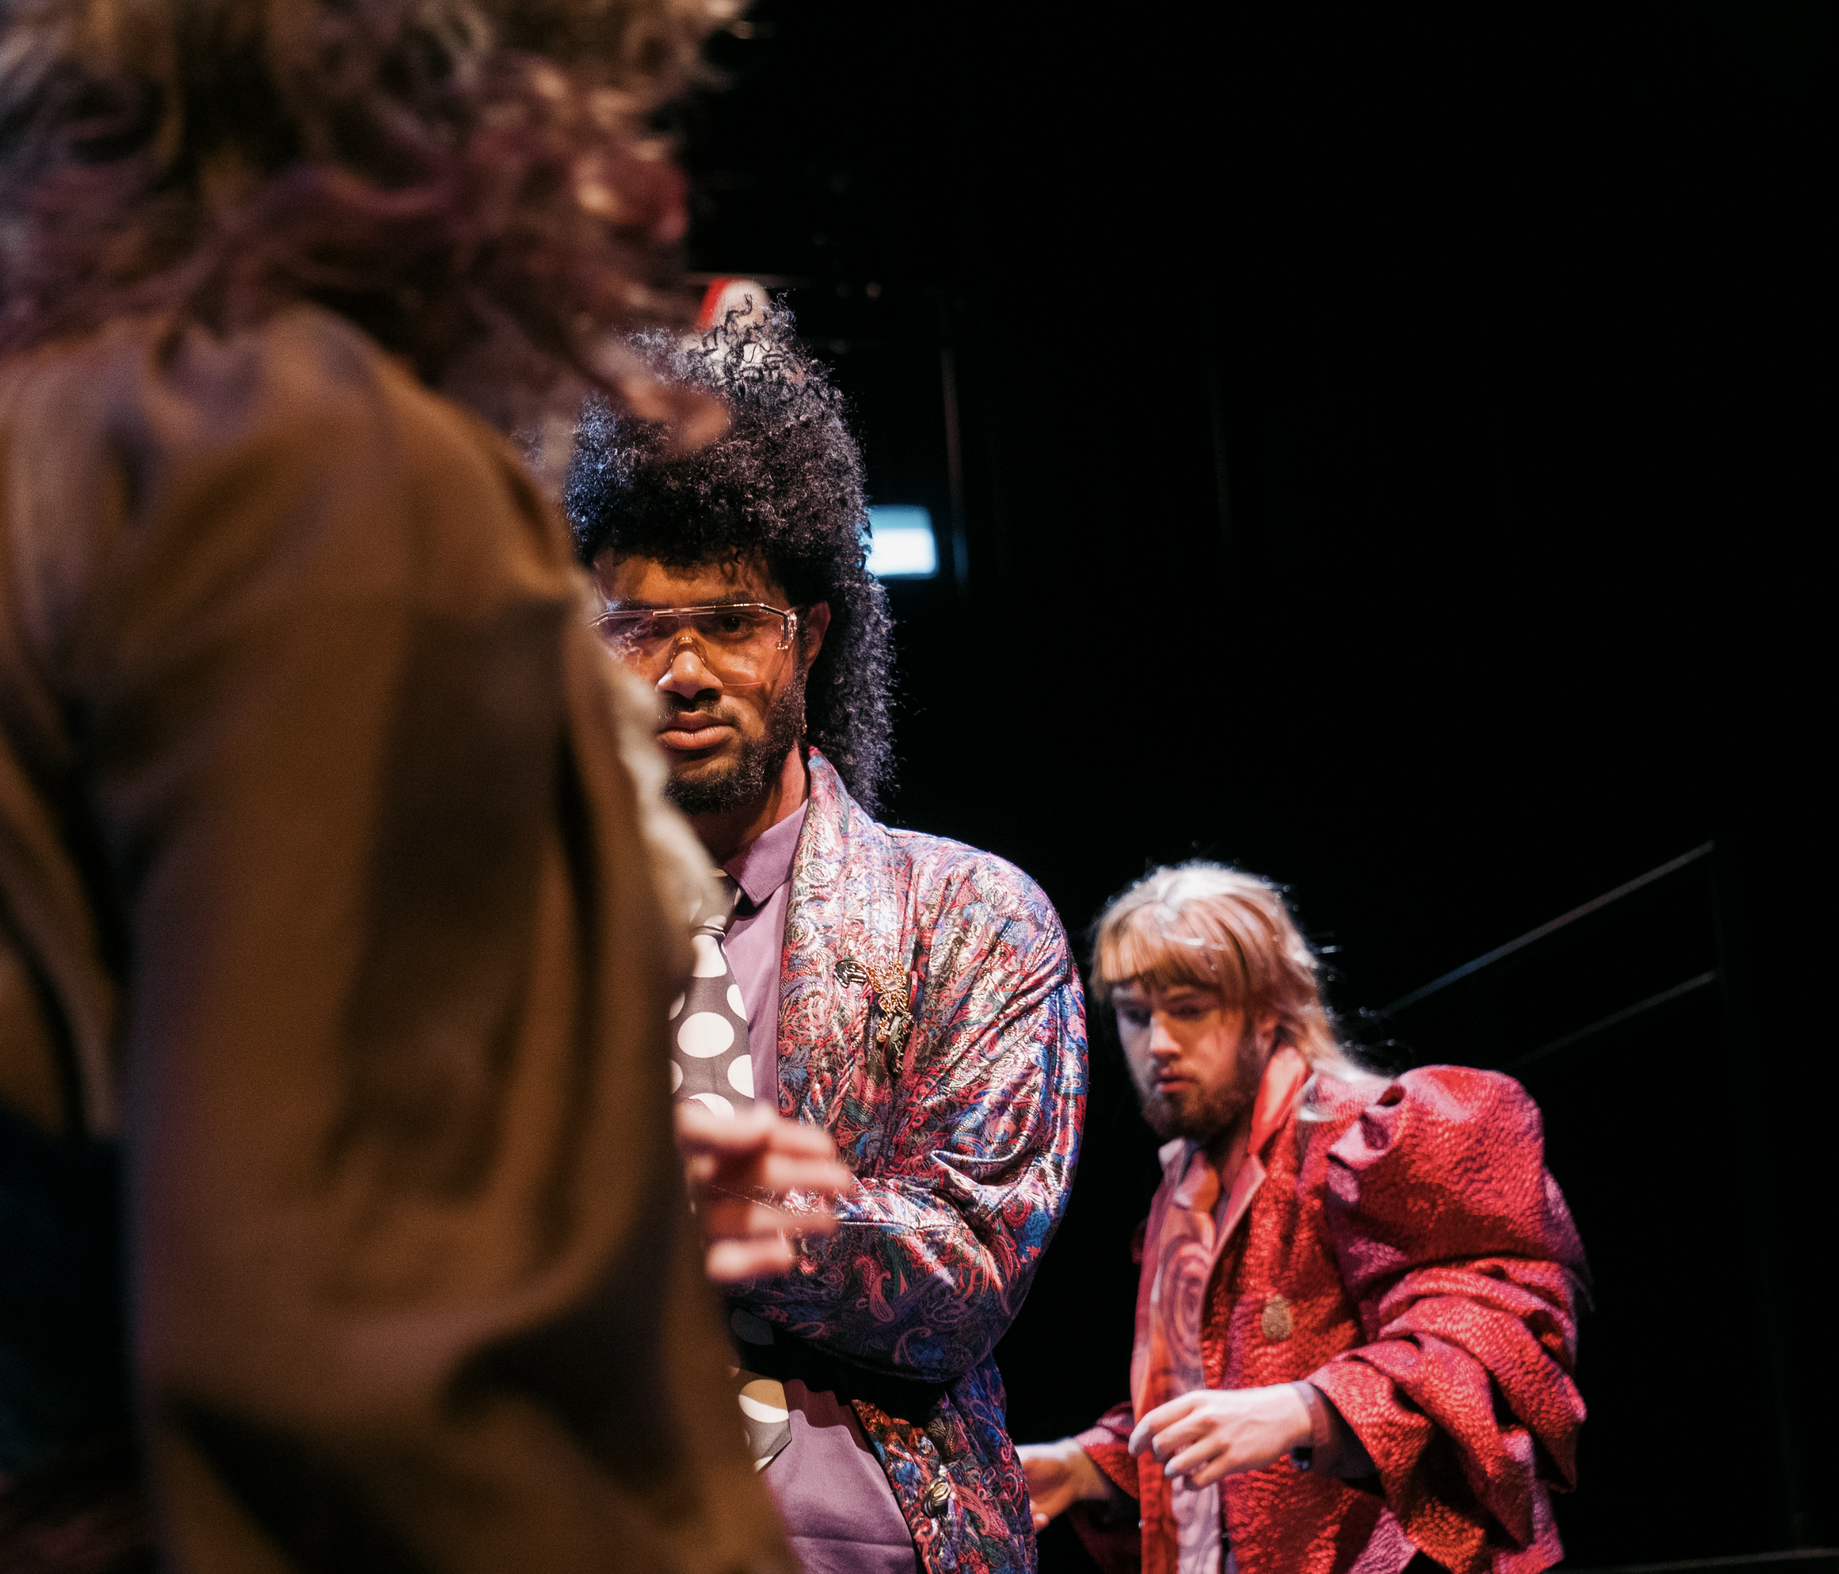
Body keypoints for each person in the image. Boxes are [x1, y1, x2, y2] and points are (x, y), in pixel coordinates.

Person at [0, 0, 842, 1569]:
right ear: (452, 101)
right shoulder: (322, 480)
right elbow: (339, 1378)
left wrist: (564, 1158)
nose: (626, 170)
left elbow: (109, 1111)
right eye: (592, 92)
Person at [564, 299, 1091, 1574]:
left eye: (729, 623)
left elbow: (964, 1267)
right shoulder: (514, 940)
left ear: (810, 632)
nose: (681, 670)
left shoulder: (968, 917)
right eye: (638, 628)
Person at [1018, 865, 1590, 1574]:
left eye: (1190, 1009)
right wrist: (1085, 1464)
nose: (1158, 1043)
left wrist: (1307, 1410)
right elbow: (1217, 1412)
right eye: (1136, 1015)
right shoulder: (1188, 1193)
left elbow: (1490, 1342)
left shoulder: (1381, 1134)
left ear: (1269, 1008)